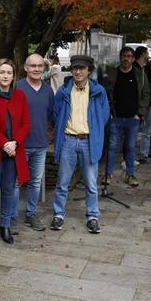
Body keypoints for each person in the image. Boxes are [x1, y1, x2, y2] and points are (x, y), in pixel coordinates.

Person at [50, 55, 109, 234]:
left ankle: (92, 216)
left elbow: (104, 116)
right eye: (75, 68)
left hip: (89, 141)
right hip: (68, 140)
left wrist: (95, 131)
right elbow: (55, 115)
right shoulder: (63, 91)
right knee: (63, 182)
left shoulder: (98, 91)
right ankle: (58, 214)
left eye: (81, 68)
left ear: (88, 71)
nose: (77, 71)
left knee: (91, 183)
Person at [0, 59, 30, 245]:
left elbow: (26, 124)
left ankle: (5, 226)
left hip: (13, 153)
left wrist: (15, 143)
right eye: (2, 72)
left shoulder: (20, 96)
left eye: (9, 72)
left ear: (13, 76)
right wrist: (4, 143)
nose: (6, 76)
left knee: (9, 191)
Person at [103, 47, 150, 188]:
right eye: (123, 56)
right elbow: (105, 93)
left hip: (133, 119)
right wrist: (109, 112)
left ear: (133, 58)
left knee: (130, 147)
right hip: (116, 117)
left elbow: (146, 94)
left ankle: (130, 174)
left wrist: (140, 114)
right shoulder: (113, 74)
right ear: (120, 57)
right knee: (111, 147)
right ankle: (108, 173)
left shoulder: (139, 74)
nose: (126, 59)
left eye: (129, 56)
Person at [16, 53, 54, 231]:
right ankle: (12, 216)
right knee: (16, 181)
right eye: (33, 66)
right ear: (25, 67)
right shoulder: (17, 88)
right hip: (20, 144)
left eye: (40, 66)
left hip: (40, 144)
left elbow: (49, 116)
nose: (37, 69)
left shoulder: (47, 90)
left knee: (36, 182)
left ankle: (31, 214)